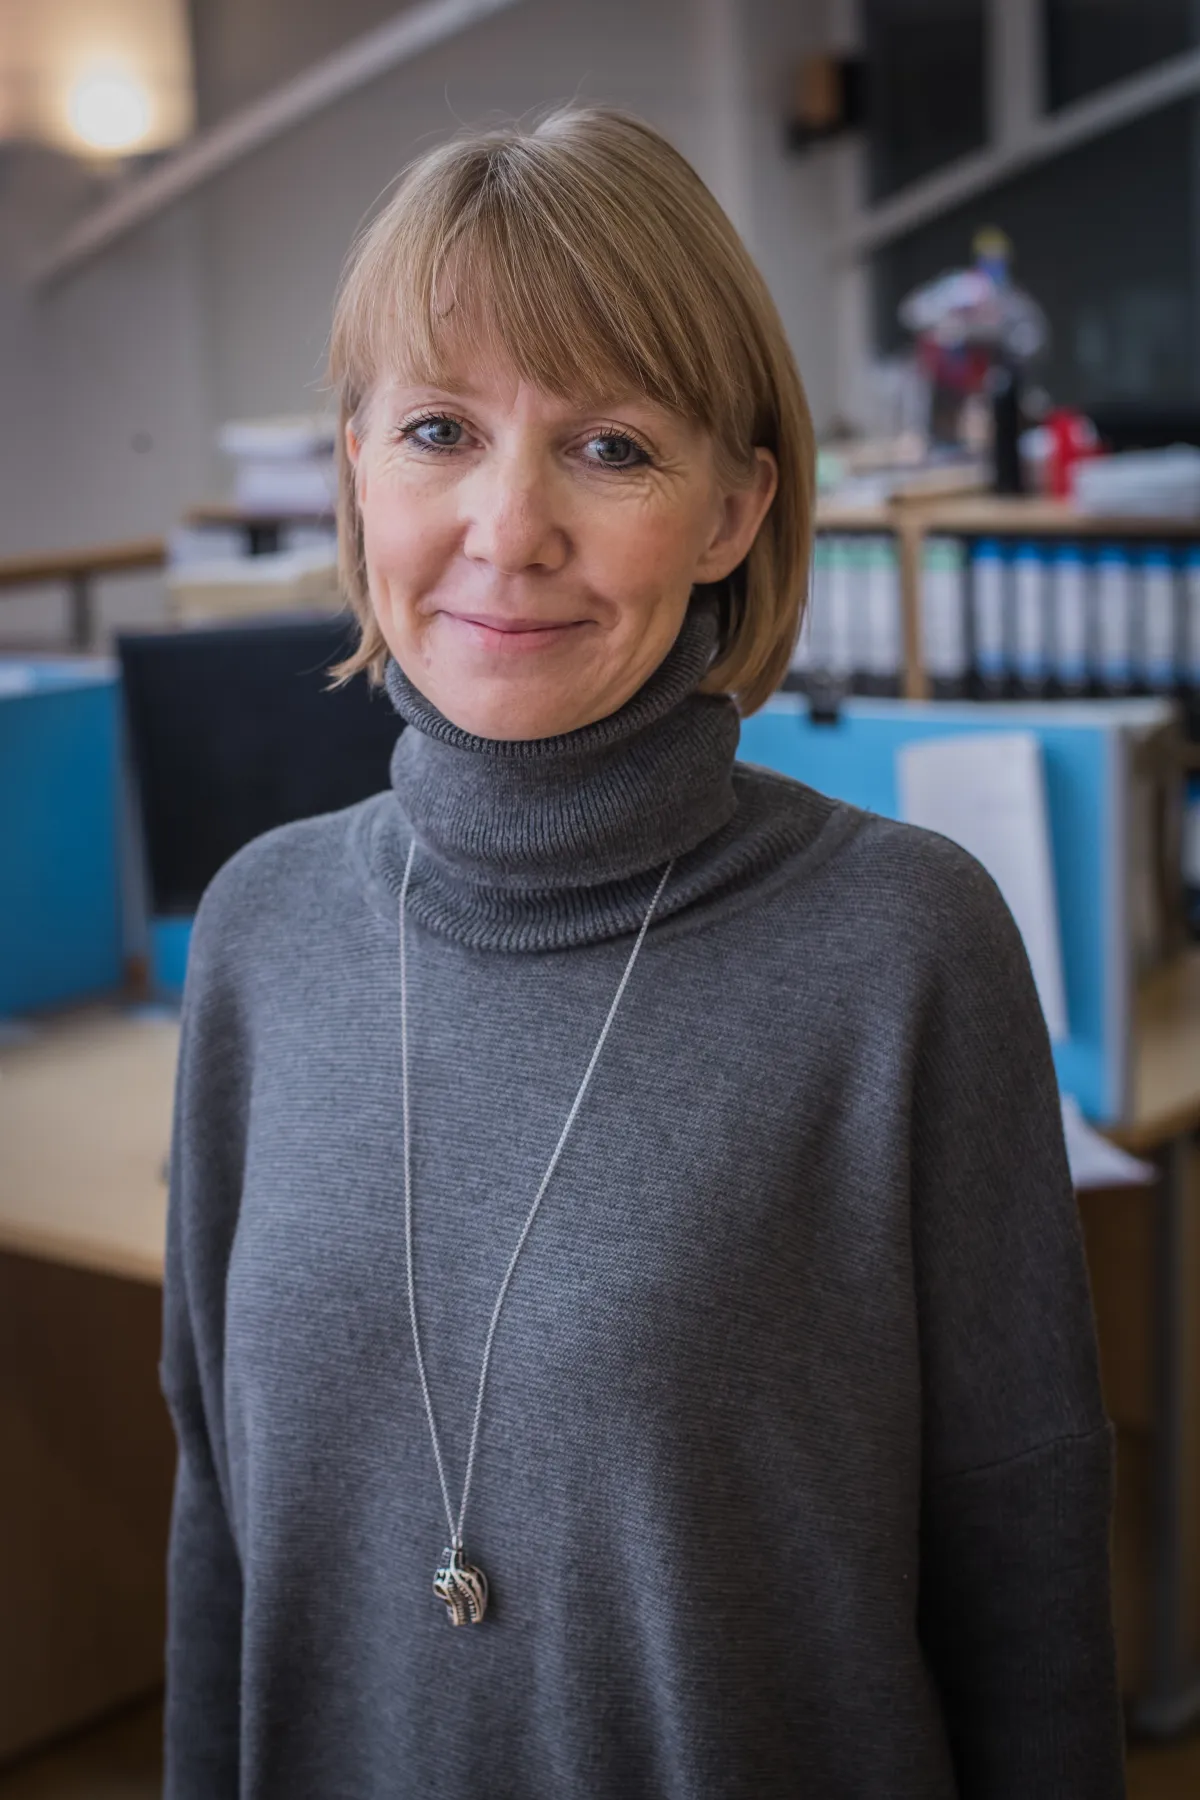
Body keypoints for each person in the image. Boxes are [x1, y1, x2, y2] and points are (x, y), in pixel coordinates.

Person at [161, 105, 1124, 1798]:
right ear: (354, 470)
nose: (508, 525)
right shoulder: (261, 932)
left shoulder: (903, 946)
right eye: (440, 429)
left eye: (610, 448)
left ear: (736, 509)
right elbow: (219, 1546)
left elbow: (1026, 1588)